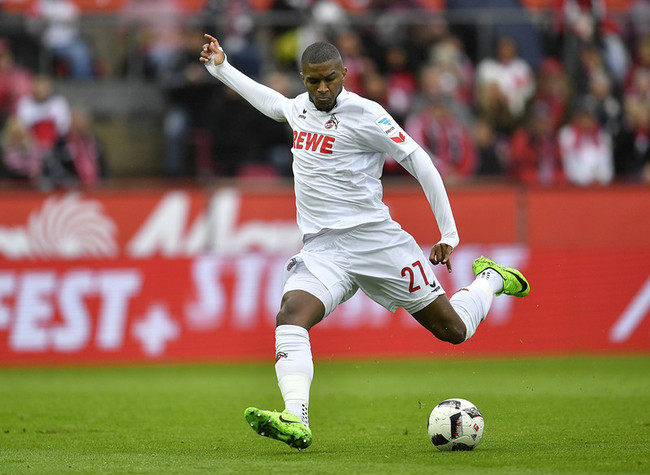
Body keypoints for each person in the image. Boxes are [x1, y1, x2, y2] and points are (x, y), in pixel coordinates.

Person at [200, 33, 530, 450]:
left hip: (376, 244)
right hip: (323, 249)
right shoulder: (300, 108)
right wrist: (221, 68)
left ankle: (491, 280)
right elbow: (273, 104)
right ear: (303, 79)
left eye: (330, 80)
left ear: (344, 74)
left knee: (454, 330)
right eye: (313, 81)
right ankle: (295, 417)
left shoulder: (367, 114)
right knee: (290, 315)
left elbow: (418, 161)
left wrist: (448, 232)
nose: (322, 89)